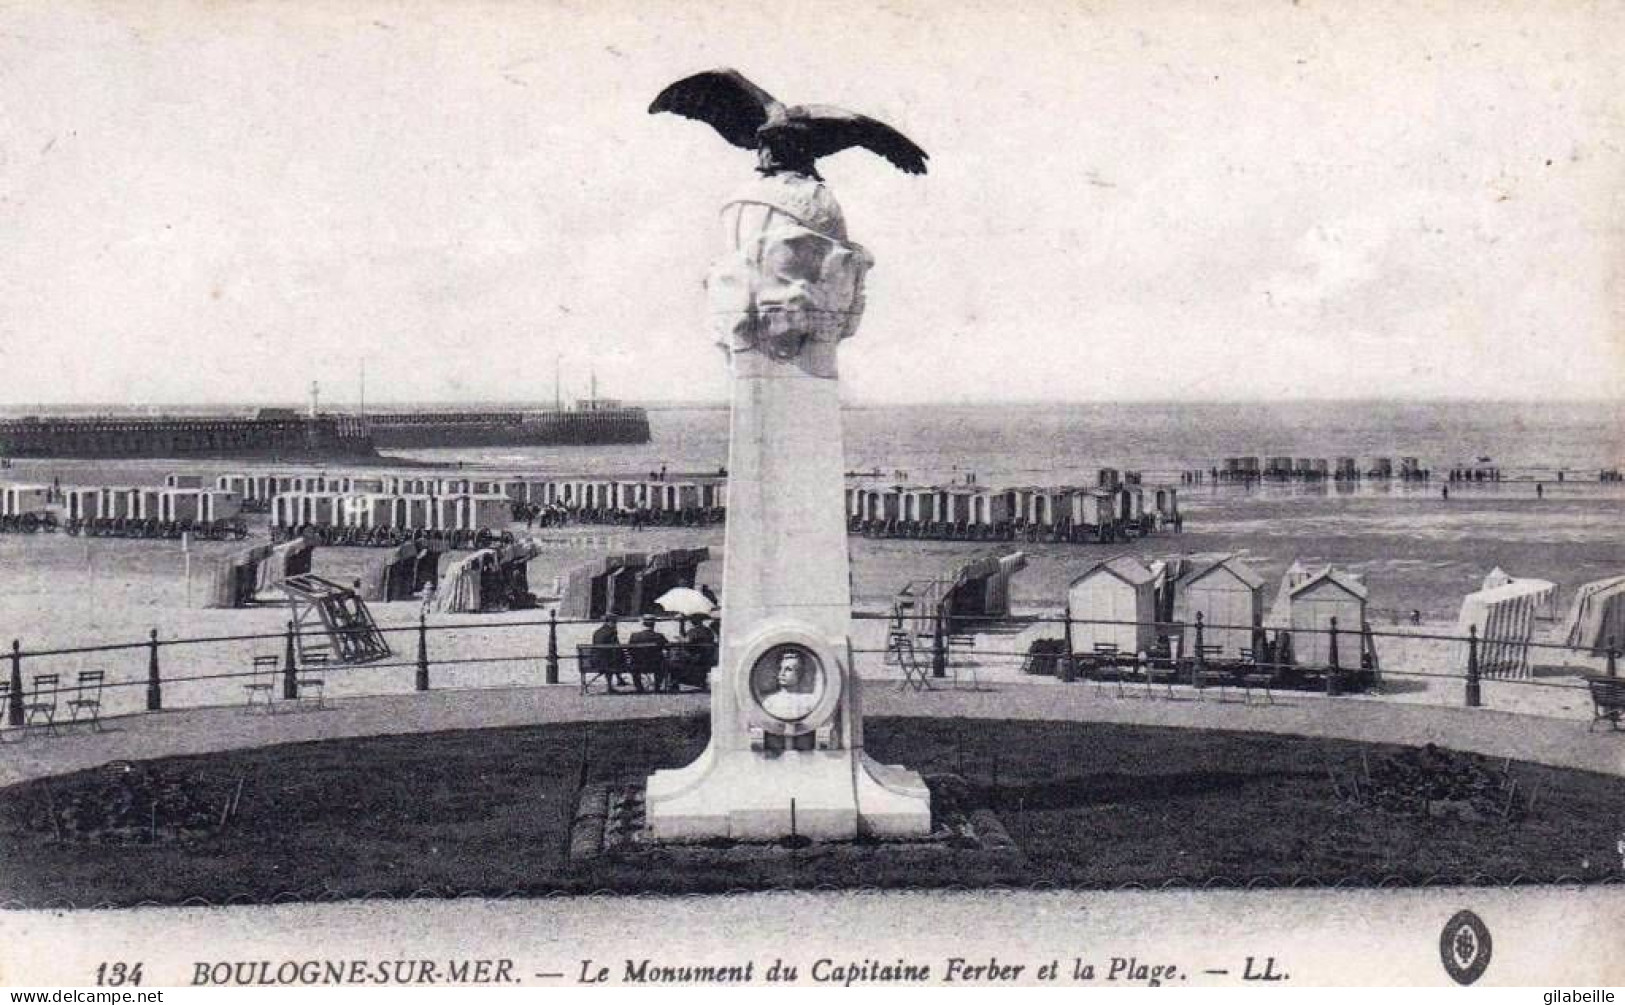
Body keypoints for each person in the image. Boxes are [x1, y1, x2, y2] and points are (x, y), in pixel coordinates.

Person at [759, 649, 820, 720]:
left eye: (788, 669)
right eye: (780, 668)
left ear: (799, 673)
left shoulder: (809, 701)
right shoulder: (769, 702)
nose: (782, 673)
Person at [627, 615, 668, 693]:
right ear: (654, 624)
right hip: (655, 664)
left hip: (638, 664)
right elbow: (668, 648)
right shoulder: (659, 636)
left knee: (634, 664)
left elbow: (630, 650)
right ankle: (657, 687)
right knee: (662, 662)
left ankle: (639, 688)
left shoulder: (635, 636)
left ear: (643, 624)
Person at [591, 615, 623, 690]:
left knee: (612, 657)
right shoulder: (612, 632)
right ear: (612, 622)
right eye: (615, 623)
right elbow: (617, 647)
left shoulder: (597, 632)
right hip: (608, 662)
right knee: (617, 657)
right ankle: (617, 680)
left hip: (595, 661)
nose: (616, 624)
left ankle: (619, 679)